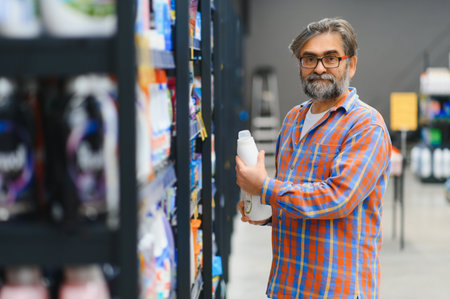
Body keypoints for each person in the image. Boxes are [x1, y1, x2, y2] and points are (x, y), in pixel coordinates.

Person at [235, 18, 392, 299]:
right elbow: (300, 195)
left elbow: (337, 199)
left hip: (335, 289)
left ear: (351, 64)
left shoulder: (366, 126)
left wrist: (266, 188)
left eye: (331, 58)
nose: (319, 68)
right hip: (289, 285)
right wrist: (269, 214)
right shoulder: (294, 119)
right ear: (300, 65)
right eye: (309, 59)